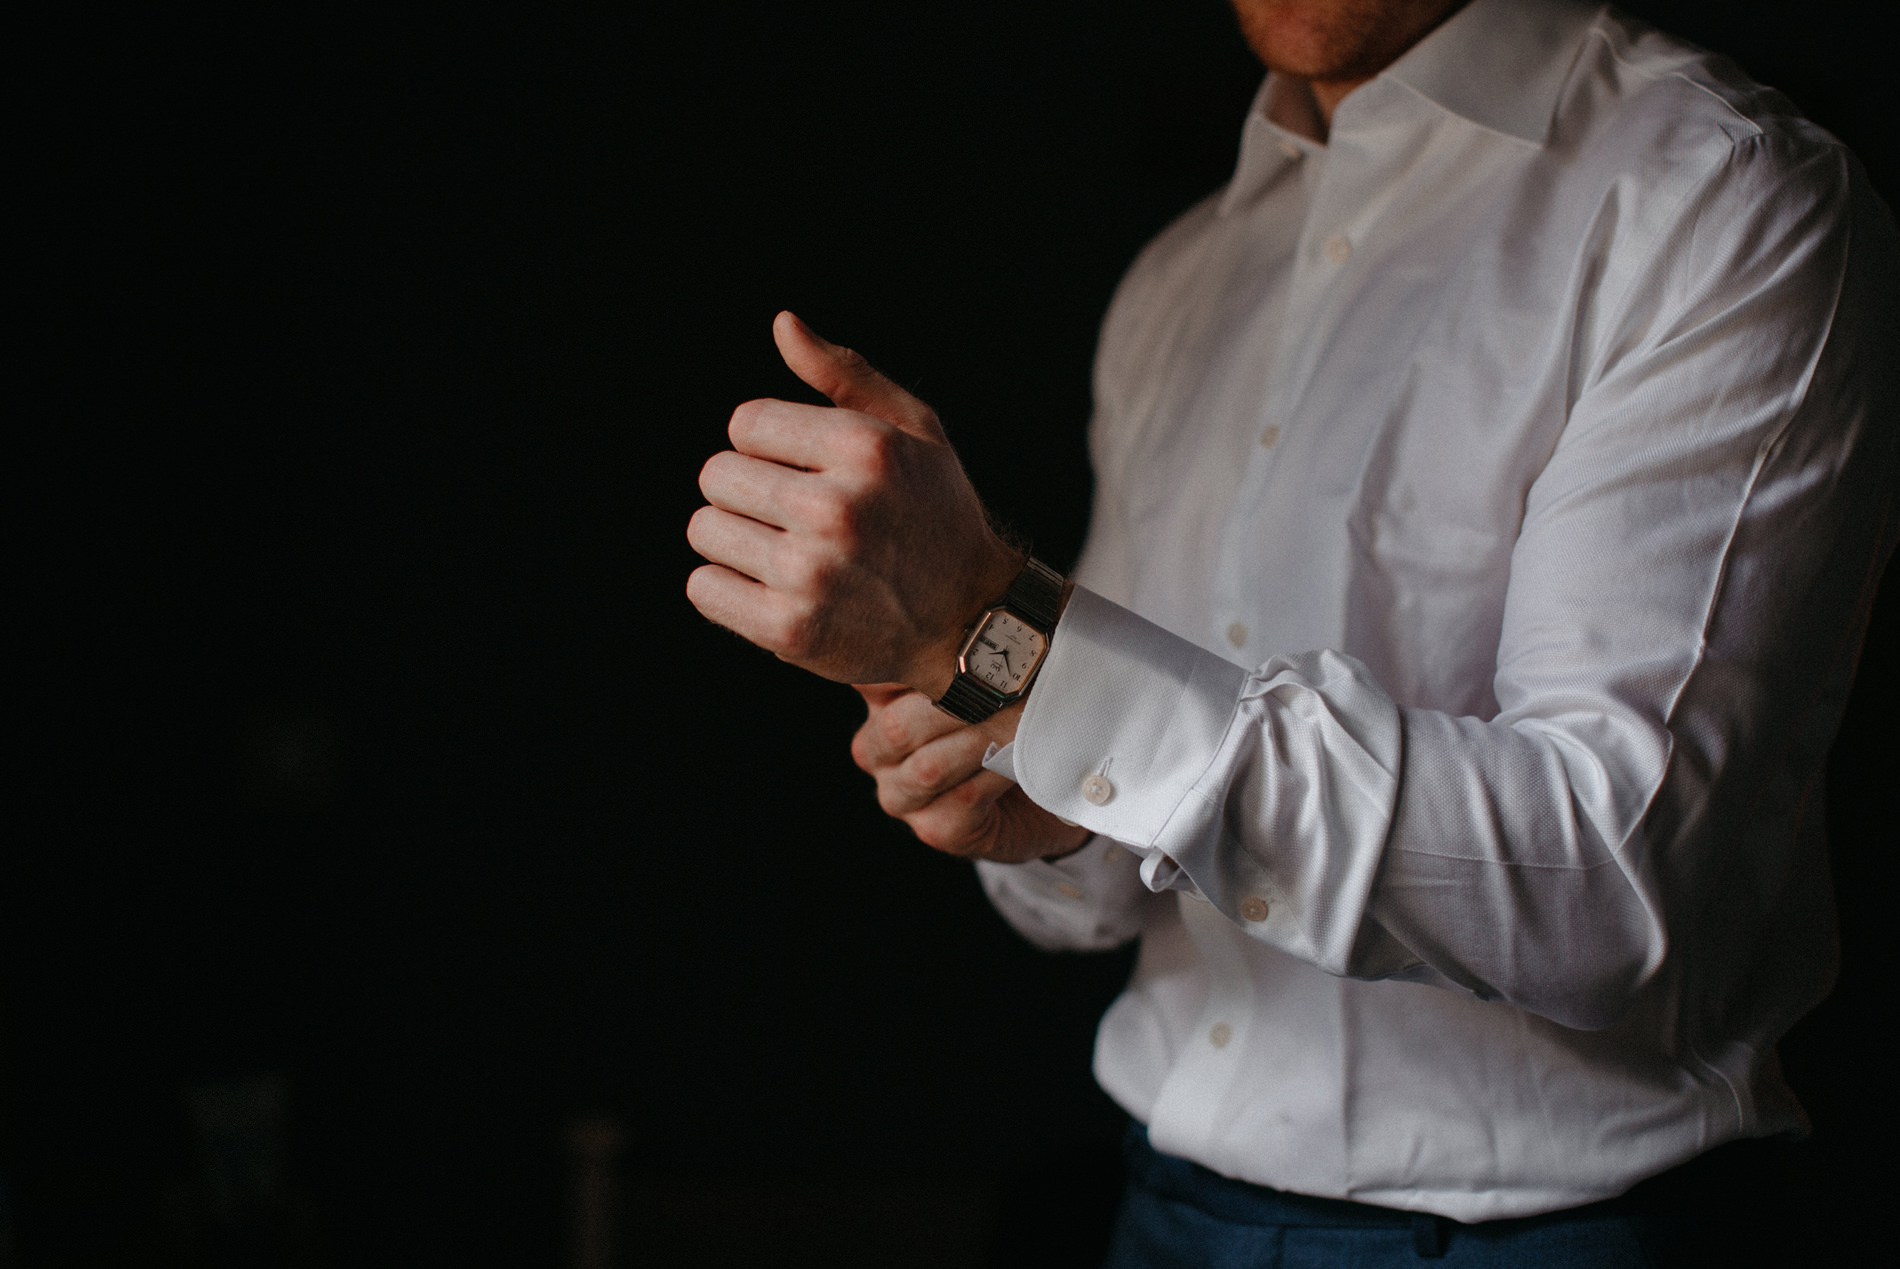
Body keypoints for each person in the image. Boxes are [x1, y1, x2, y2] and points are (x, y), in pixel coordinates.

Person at [686, 0, 1897, 1262]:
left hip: (1548, 1235)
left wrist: (1005, 637)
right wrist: (1027, 789)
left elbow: (1608, 886)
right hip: (1161, 1211)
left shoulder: (1721, 200)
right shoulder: (1181, 279)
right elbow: (1116, 861)